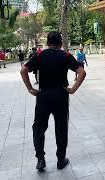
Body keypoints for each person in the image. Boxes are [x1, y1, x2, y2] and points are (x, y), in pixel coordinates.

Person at [20, 31, 86, 171]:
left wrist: (30, 89)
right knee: (61, 128)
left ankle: (40, 159)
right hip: (61, 96)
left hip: (43, 96)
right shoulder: (66, 56)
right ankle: (60, 160)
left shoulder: (39, 55)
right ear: (60, 43)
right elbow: (82, 72)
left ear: (48, 43)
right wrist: (73, 89)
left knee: (38, 128)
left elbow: (23, 70)